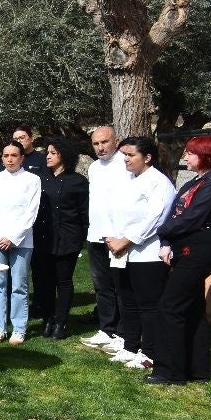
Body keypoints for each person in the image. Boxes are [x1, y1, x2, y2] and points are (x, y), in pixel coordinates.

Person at [147, 136, 211, 385]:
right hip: (186, 248)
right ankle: (197, 370)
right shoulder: (198, 181)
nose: (186, 157)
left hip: (200, 249)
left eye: (191, 153)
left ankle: (169, 371)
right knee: (192, 309)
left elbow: (192, 217)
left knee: (169, 307)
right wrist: (167, 242)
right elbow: (176, 212)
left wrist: (162, 233)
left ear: (205, 156)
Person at [104, 136, 176, 370]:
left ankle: (150, 352)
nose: (125, 159)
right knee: (128, 301)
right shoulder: (128, 179)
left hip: (146, 252)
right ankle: (130, 345)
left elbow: (154, 219)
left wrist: (126, 240)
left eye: (130, 155)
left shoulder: (159, 182)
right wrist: (111, 238)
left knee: (148, 305)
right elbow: (112, 209)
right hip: (121, 251)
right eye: (124, 155)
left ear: (147, 158)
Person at [0, 141, 42, 344]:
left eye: (14, 155)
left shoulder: (32, 180)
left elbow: (31, 212)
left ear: (22, 157)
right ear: (2, 158)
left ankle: (19, 328)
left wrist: (13, 237)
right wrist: (0, 236)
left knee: (19, 285)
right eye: (6, 155)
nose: (10, 159)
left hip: (22, 240)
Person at [32, 137, 89, 339]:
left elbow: (84, 213)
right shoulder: (38, 179)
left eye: (52, 153)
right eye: (47, 152)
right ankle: (47, 319)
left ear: (63, 155)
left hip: (68, 238)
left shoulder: (78, 182)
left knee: (63, 281)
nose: (47, 156)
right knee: (44, 282)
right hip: (43, 238)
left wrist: (81, 237)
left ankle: (61, 322)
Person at [80, 125, 131, 349]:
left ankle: (123, 332)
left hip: (118, 237)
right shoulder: (94, 168)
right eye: (96, 144)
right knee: (102, 285)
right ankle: (107, 329)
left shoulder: (126, 164)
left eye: (104, 142)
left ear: (116, 141)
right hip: (96, 234)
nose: (100, 148)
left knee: (121, 285)